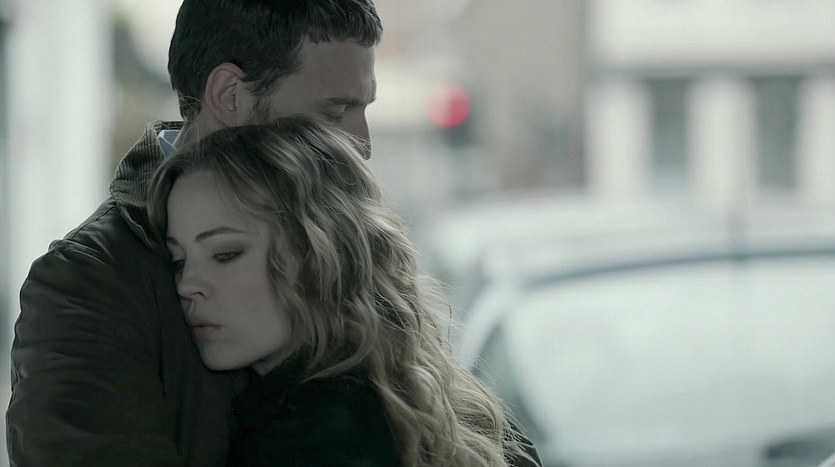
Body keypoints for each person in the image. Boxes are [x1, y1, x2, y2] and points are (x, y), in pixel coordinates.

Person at [7, 1, 381, 465]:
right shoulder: (89, 286)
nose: (363, 146)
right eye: (336, 111)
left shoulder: (346, 239)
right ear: (230, 95)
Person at [146, 116, 541, 466]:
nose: (187, 285)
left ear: (318, 256)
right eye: (178, 261)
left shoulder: (302, 442)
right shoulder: (449, 406)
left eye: (225, 254)